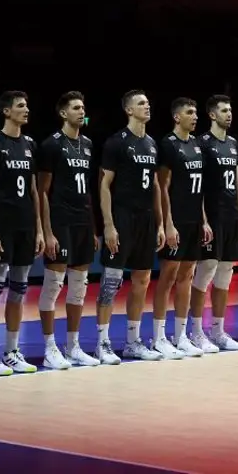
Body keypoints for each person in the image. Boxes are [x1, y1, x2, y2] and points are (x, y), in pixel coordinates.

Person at [0, 90, 46, 375]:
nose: (26, 109)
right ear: (6, 111)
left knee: (19, 289)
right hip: (2, 227)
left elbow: (33, 190)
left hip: (25, 226)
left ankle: (11, 351)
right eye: (20, 105)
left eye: (27, 105)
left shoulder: (30, 144)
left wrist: (39, 229)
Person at [97, 90, 166, 363]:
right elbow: (104, 185)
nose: (147, 106)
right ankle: (102, 342)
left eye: (148, 102)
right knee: (111, 283)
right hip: (122, 217)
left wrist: (160, 224)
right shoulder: (116, 142)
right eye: (141, 103)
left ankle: (132, 341)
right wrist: (109, 225)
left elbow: (156, 186)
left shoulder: (151, 143)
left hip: (146, 219)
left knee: (142, 280)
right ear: (128, 110)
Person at [37, 91, 101, 369]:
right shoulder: (51, 144)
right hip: (60, 222)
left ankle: (73, 346)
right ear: (63, 113)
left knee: (78, 288)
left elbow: (88, 190)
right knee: (53, 286)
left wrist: (94, 228)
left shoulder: (87, 144)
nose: (81, 111)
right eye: (76, 108)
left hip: (83, 222)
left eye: (83, 107)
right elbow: (42, 191)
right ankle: (50, 348)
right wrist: (47, 231)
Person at [188, 95, 238, 352]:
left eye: (230, 110)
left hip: (232, 216)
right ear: (212, 115)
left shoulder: (233, 143)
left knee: (226, 272)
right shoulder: (201, 143)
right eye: (224, 110)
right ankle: (195, 331)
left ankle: (218, 330)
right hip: (212, 215)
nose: (229, 114)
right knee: (206, 270)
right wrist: (203, 219)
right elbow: (198, 185)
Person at [154, 98, 210, 358]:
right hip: (175, 220)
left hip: (194, 220)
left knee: (187, 276)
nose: (195, 116)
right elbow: (162, 187)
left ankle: (180, 335)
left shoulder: (196, 144)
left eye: (196, 112)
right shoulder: (168, 144)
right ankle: (159, 336)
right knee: (168, 277)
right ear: (177, 117)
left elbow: (200, 189)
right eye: (190, 112)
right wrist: (168, 223)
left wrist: (204, 220)